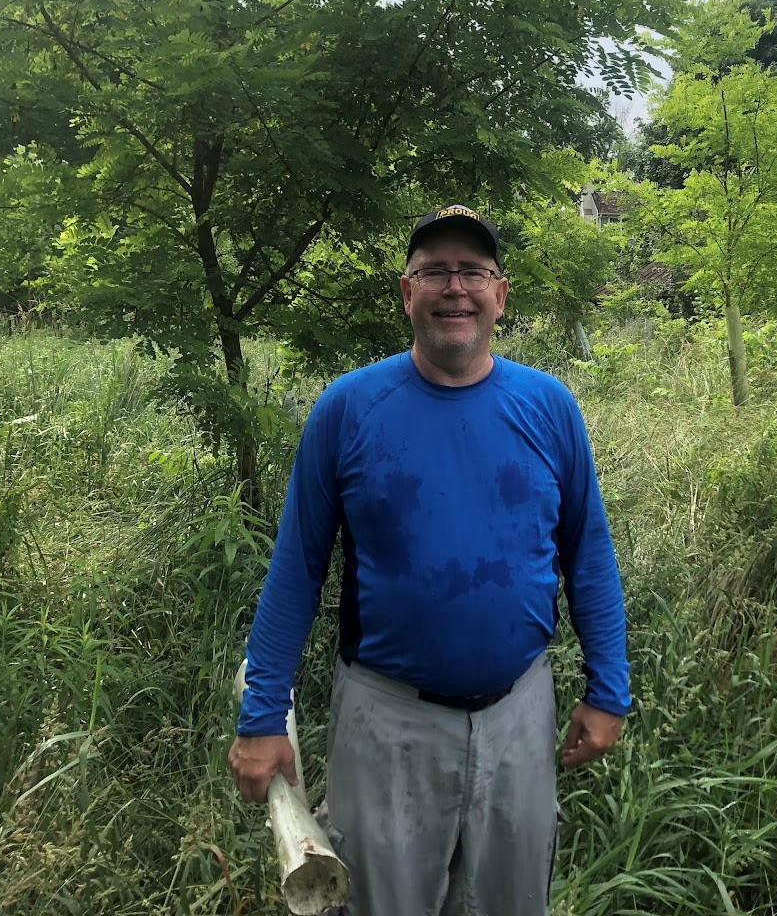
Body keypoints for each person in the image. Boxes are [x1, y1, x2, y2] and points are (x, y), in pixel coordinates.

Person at [229, 203, 630, 916]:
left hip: (519, 712)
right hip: (386, 723)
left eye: (473, 271)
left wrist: (608, 692)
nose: (455, 288)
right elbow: (297, 569)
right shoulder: (349, 409)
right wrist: (263, 715)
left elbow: (588, 555)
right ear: (406, 292)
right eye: (434, 271)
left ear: (500, 295)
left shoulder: (549, 408)